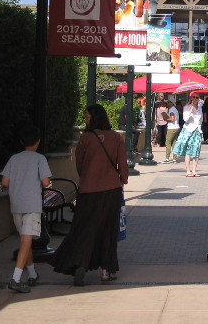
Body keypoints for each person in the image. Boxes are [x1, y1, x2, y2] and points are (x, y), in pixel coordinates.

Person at [50, 104, 129, 286]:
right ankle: (106, 271)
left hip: (88, 191)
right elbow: (122, 164)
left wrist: (87, 177)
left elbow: (80, 164)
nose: (85, 120)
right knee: (108, 230)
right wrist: (122, 179)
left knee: (84, 228)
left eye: (87, 117)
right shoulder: (115, 137)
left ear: (94, 118)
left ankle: (80, 263)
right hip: (111, 190)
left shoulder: (86, 138)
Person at [1, 125, 52, 293]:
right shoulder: (39, 159)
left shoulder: (14, 159)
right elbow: (45, 182)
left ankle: (32, 273)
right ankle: (15, 278)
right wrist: (49, 184)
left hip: (16, 205)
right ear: (37, 142)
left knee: (25, 240)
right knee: (26, 240)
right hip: (32, 205)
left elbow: (4, 182)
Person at [172, 92, 203, 177]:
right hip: (189, 130)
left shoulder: (200, 108)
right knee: (188, 151)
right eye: (194, 97)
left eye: (197, 97)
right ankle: (188, 171)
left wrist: (200, 130)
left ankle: (194, 170)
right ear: (191, 98)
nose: (196, 99)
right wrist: (191, 110)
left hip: (197, 130)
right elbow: (185, 119)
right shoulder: (186, 107)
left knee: (196, 150)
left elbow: (201, 120)